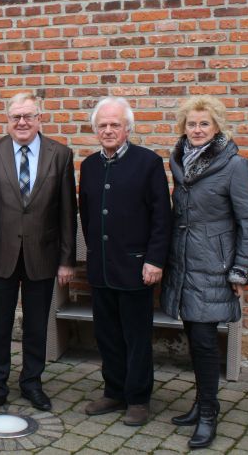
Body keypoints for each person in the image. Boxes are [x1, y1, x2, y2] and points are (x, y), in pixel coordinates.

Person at [0, 92, 77, 417]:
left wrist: (66, 260)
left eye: (29, 116)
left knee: (36, 326)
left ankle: (32, 382)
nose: (22, 122)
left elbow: (68, 212)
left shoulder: (61, 155)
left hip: (42, 255)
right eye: (16, 117)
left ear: (40, 118)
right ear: (7, 120)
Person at [161, 96, 248, 449]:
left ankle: (208, 415)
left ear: (217, 127)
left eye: (204, 123)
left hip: (213, 267)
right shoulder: (179, 162)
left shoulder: (235, 166)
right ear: (183, 127)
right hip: (183, 264)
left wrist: (241, 270)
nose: (197, 129)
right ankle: (200, 403)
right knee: (193, 335)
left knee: (203, 343)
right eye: (191, 123)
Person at [78, 97, 172, 426]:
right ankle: (114, 391)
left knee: (136, 337)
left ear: (127, 128)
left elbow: (162, 217)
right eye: (102, 125)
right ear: (95, 129)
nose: (108, 130)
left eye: (114, 124)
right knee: (107, 335)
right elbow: (88, 216)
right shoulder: (89, 165)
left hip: (136, 267)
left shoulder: (148, 163)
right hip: (102, 268)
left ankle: (138, 398)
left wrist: (154, 260)